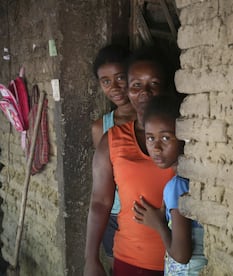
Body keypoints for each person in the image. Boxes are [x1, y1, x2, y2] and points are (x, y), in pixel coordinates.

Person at [84, 48, 176, 276]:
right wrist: (91, 259)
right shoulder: (112, 140)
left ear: (165, 87)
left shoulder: (181, 136)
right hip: (130, 260)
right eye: (136, 85)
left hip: (181, 263)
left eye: (153, 84)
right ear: (128, 90)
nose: (144, 92)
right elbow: (100, 202)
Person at [133, 95, 208, 275]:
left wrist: (159, 224)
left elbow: (181, 255)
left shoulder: (177, 186)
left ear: (183, 138)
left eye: (166, 138)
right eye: (150, 138)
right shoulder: (191, 180)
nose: (156, 148)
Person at [91, 43, 136, 270]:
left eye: (120, 78)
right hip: (116, 217)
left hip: (156, 215)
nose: (115, 87)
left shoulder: (154, 120)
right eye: (106, 81)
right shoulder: (102, 128)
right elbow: (103, 186)